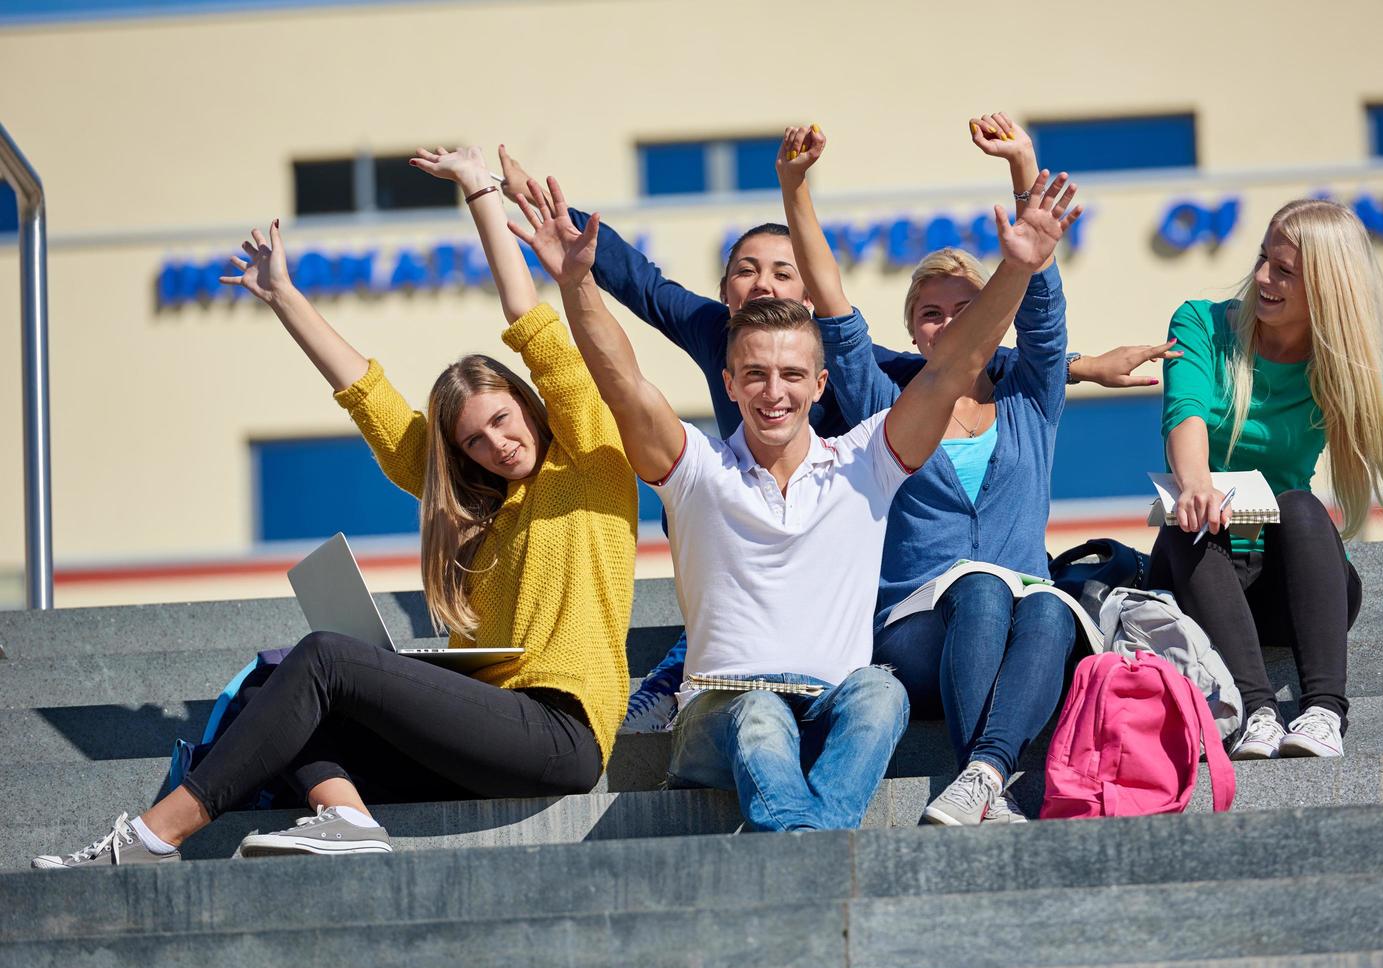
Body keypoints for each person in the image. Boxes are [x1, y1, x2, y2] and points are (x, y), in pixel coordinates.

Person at [30, 146, 638, 869]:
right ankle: (345, 819)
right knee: (272, 685)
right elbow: (372, 401)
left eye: (503, 421)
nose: (495, 445)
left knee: (321, 660)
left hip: (557, 731)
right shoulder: (480, 515)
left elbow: (532, 328)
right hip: (488, 731)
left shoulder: (591, 465)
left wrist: (480, 192)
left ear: (529, 407)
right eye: (474, 441)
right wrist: (285, 295)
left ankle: (149, 838)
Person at [490, 144, 1170, 733]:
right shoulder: (710, 331)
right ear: (724, 292)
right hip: (741, 540)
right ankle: (676, 678)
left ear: (812, 302)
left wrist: (1078, 366)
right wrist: (534, 206)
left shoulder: (860, 364)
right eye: (746, 269)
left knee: (1009, 602)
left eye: (783, 272)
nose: (762, 283)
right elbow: (638, 281)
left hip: (829, 544)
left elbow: (950, 365)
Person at [777, 116, 1105, 827]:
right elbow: (830, 303)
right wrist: (793, 187)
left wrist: (1023, 167)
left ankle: (980, 775)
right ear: (913, 332)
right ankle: (982, 774)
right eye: (930, 314)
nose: (948, 323)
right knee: (982, 588)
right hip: (914, 630)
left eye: (965, 308)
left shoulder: (1027, 396)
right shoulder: (884, 403)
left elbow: (1042, 311)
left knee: (1049, 603)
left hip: (1020, 623)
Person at [1147, 198, 1383, 761]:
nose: (1263, 277)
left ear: (1325, 285)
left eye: (1285, 270)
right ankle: (1257, 712)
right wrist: (1196, 482)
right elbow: (1186, 409)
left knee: (1299, 505)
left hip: (1290, 582)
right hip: (1210, 575)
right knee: (1184, 530)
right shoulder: (1200, 322)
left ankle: (1323, 712)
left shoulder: (1334, 365)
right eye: (1263, 259)